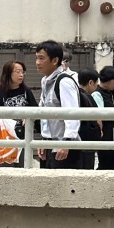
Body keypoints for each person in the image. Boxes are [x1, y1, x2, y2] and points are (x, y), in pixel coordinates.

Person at [36, 40, 82, 169]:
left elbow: (72, 114)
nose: (37, 62)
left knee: (64, 187)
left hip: (65, 147)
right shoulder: (45, 81)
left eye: (41, 58)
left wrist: (66, 143)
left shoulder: (64, 81)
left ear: (55, 60)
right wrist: (44, 140)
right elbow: (44, 112)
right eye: (36, 58)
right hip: (50, 145)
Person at [96, 66, 114, 170]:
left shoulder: (112, 94)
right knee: (106, 163)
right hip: (106, 134)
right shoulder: (98, 94)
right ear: (108, 80)